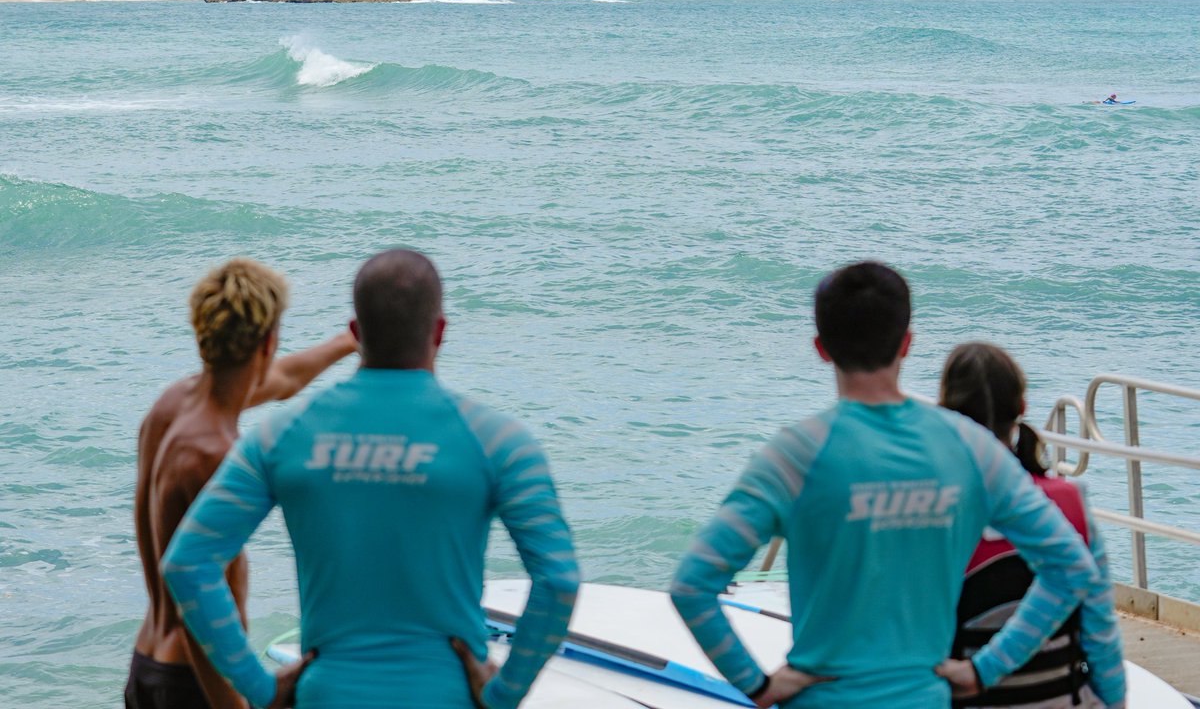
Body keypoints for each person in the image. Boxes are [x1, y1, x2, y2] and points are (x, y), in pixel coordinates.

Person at [670, 261, 1116, 709]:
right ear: (906, 343)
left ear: (822, 349)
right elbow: (1072, 567)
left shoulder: (793, 456)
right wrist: (986, 668)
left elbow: (692, 585)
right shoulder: (970, 448)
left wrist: (758, 686)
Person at [161, 248, 580, 709]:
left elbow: (188, 564)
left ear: (357, 334)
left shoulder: (280, 436)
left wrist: (260, 687)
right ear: (439, 333)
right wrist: (504, 693)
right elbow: (558, 579)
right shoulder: (499, 441)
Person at [128, 258, 359, 709]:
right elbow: (196, 603)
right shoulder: (214, 453)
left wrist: (347, 343)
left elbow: (285, 379)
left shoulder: (173, 406)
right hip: (194, 680)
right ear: (268, 341)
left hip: (148, 663)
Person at [940, 343, 1124, 708]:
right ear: (1022, 409)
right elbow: (1101, 635)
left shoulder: (934, 513)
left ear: (946, 415)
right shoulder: (1070, 505)